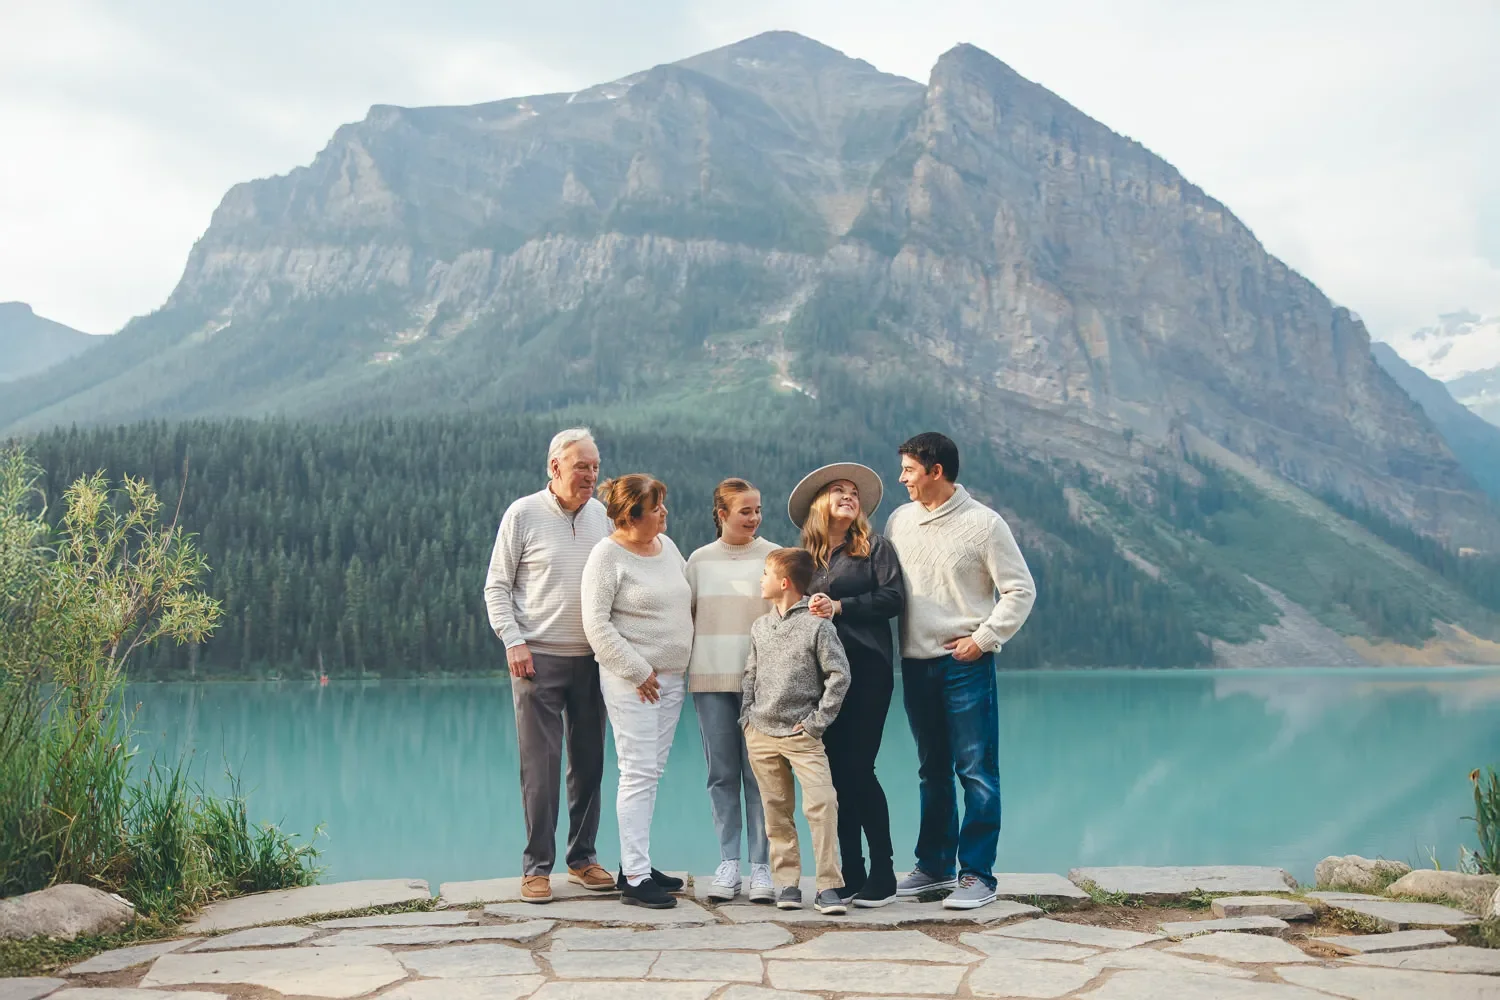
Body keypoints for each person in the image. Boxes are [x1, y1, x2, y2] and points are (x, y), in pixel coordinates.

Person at [885, 432, 1036, 910]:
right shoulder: (898, 520)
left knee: (976, 770)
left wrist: (984, 639)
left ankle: (977, 876)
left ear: (935, 470)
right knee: (932, 769)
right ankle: (933, 868)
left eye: (908, 470)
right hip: (914, 661)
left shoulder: (985, 524)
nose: (901, 478)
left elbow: (1020, 590)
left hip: (964, 663)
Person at [483, 427, 614, 904]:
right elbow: (496, 586)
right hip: (535, 660)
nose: (591, 476)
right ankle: (536, 868)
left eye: (596, 467)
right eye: (582, 466)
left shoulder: (603, 516)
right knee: (540, 767)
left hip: (595, 661)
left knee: (590, 765)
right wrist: (513, 641)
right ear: (554, 467)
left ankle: (583, 860)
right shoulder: (523, 513)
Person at [789, 463, 904, 907]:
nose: (849, 496)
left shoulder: (874, 548)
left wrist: (840, 606)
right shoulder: (804, 559)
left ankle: (884, 871)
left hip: (866, 670)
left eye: (854, 492)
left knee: (859, 770)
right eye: (839, 490)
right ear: (820, 502)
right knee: (833, 777)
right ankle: (850, 871)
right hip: (817, 681)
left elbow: (893, 598)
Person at [581, 474, 693, 909]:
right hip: (635, 683)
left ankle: (637, 865)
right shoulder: (606, 556)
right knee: (637, 772)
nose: (664, 512)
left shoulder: (668, 548)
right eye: (657, 506)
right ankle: (635, 877)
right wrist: (637, 669)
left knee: (652, 773)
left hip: (671, 679)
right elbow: (596, 624)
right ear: (631, 515)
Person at [741, 547, 852, 916]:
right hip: (760, 732)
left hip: (803, 735)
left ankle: (828, 886)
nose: (761, 580)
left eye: (766, 574)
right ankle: (787, 883)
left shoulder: (819, 626)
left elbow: (839, 676)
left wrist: (818, 721)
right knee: (776, 810)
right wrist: (746, 717)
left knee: (822, 803)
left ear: (784, 582)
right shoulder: (760, 626)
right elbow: (750, 674)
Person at [685, 479, 777, 903]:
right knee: (721, 776)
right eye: (745, 511)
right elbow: (682, 620)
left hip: (763, 688)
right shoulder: (699, 562)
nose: (754, 518)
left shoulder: (774, 558)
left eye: (758, 510)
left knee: (760, 777)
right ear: (721, 514)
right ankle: (728, 865)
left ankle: (762, 869)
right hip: (710, 681)